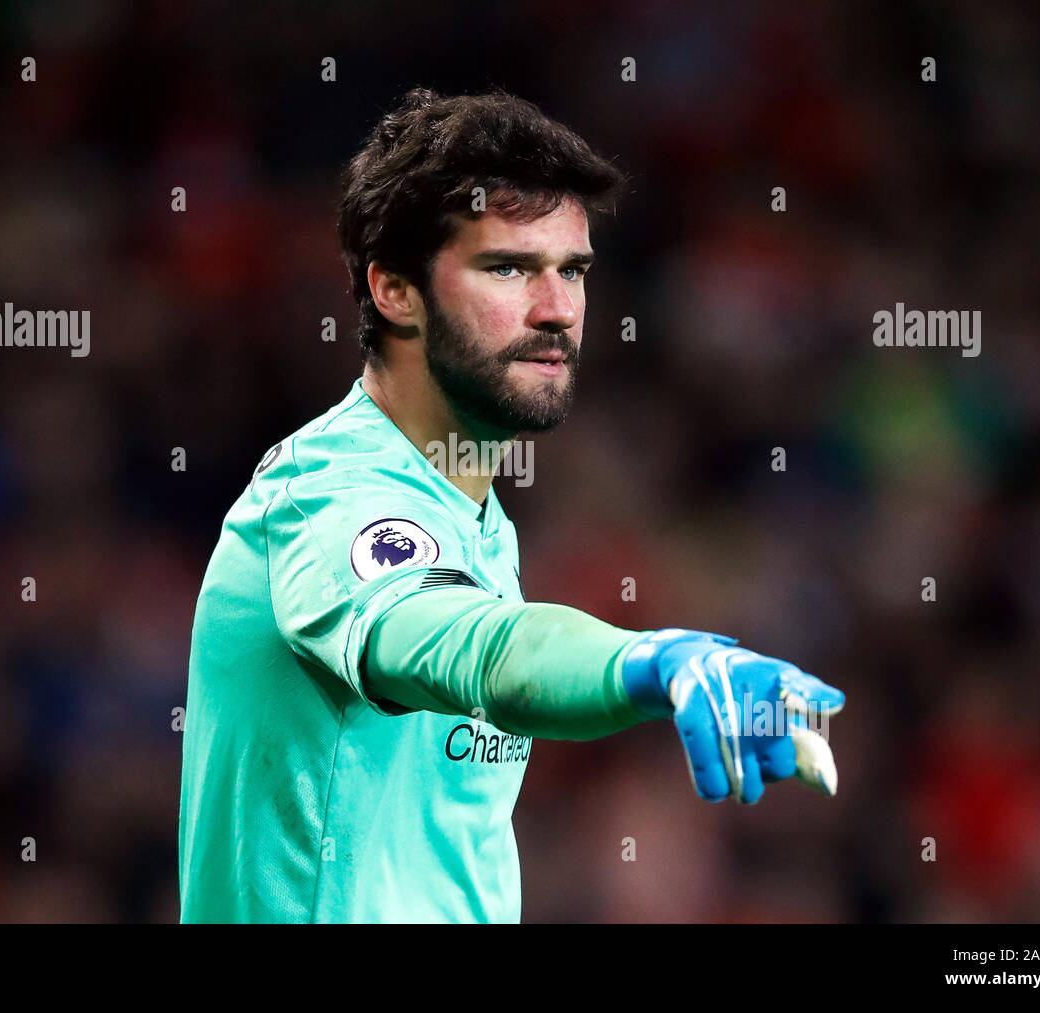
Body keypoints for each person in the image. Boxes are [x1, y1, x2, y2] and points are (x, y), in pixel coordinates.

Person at [178, 88, 844, 924]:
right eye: (508, 267)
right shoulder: (331, 495)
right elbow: (482, 651)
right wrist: (653, 661)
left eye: (572, 270)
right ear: (394, 290)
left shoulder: (476, 520)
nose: (557, 307)